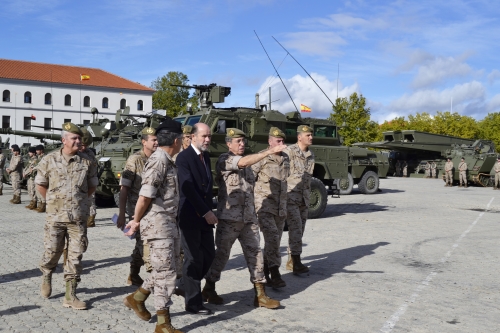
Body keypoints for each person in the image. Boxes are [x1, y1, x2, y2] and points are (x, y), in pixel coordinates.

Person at [203, 128, 285, 309]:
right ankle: (209, 287)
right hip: (229, 219)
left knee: (256, 254)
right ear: (228, 144)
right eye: (237, 141)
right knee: (222, 256)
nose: (242, 144)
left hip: (248, 218)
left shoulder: (248, 164)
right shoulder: (225, 160)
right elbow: (243, 162)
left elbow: (251, 167)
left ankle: (261, 295)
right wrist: (270, 151)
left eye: (243, 141)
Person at [123, 118, 183, 333]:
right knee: (166, 274)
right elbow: (145, 195)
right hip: (158, 225)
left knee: (167, 269)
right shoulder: (159, 161)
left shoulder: (167, 159)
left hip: (168, 222)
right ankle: (163, 324)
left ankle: (136, 298)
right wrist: (136, 220)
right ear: (176, 140)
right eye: (183, 138)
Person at [35, 123, 98, 309]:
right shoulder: (49, 160)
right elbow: (40, 184)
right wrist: (53, 202)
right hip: (55, 218)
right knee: (53, 251)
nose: (78, 141)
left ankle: (70, 295)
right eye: (74, 138)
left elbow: (92, 186)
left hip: (78, 217)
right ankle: (47, 274)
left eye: (79, 138)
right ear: (64, 140)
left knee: (76, 255)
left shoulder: (87, 162)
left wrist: (78, 202)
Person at [176, 123, 217, 315]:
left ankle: (184, 284)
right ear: (193, 137)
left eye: (209, 136)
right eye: (204, 136)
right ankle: (193, 303)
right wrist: (206, 211)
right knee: (192, 259)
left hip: (205, 216)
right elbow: (188, 189)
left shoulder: (205, 156)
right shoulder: (183, 158)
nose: (207, 140)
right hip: (191, 215)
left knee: (208, 255)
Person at [117, 127, 157, 287]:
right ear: (144, 142)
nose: (157, 142)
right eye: (153, 140)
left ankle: (133, 274)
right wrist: (121, 214)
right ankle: (153, 280)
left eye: (157, 139)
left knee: (141, 243)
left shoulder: (158, 159)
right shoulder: (134, 160)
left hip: (153, 209)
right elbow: (124, 188)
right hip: (137, 211)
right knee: (144, 243)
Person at [251, 127, 289, 288]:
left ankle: (265, 270)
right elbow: (249, 178)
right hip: (264, 205)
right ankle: (275, 272)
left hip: (280, 207)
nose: (281, 144)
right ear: (270, 141)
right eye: (278, 141)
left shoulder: (286, 158)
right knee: (273, 237)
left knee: (274, 241)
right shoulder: (262, 157)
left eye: (282, 141)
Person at [285, 125, 314, 274]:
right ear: (299, 137)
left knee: (300, 229)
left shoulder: (310, 155)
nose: (311, 137)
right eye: (308, 135)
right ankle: (296, 262)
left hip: (304, 198)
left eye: (311, 135)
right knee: (295, 228)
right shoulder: (289, 152)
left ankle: (291, 259)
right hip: (291, 197)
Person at [79, 129, 99, 227]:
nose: (84, 148)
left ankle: (91, 219)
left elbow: (93, 171)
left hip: (88, 182)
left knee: (91, 200)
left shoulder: (90, 154)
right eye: (82, 145)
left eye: (86, 145)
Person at [35, 145, 46, 213]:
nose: (36, 152)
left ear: (41, 150)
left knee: (42, 191)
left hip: (43, 176)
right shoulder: (39, 157)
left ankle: (43, 206)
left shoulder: (45, 157)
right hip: (38, 175)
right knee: (37, 191)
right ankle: (40, 205)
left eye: (37, 150)